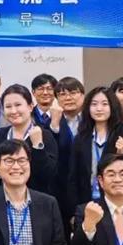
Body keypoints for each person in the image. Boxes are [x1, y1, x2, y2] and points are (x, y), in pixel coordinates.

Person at [68, 87, 123, 211]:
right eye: (94, 104)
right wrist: (74, 210)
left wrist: (120, 154)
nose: (99, 109)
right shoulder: (80, 139)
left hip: (116, 204)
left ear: (112, 107)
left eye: (104, 104)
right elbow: (73, 177)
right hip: (86, 203)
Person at [0, 84, 58, 195]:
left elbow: (48, 175)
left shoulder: (45, 135)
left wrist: (38, 146)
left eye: (18, 105)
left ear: (30, 106)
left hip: (36, 199)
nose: (13, 111)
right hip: (4, 198)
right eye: (8, 106)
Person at [50, 77, 85, 219]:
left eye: (73, 93)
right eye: (62, 94)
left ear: (82, 95)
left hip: (86, 183)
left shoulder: (92, 120)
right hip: (61, 186)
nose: (68, 98)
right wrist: (54, 125)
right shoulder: (50, 123)